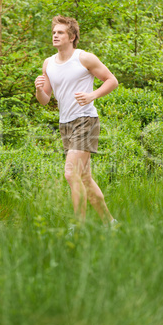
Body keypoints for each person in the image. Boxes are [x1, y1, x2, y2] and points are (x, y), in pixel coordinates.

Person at [35, 15, 119, 227]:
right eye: (54, 32)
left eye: (60, 32)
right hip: (66, 124)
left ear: (72, 37)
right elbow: (45, 100)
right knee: (84, 179)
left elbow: (112, 81)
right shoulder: (48, 64)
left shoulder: (84, 58)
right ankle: (111, 224)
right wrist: (38, 89)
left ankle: (78, 229)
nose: (55, 35)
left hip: (86, 120)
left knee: (70, 173)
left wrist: (92, 96)